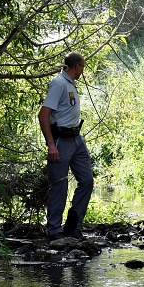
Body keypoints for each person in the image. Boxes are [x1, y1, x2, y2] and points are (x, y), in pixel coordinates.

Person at [38, 52, 94, 240]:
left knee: (87, 180)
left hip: (76, 139)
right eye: (83, 67)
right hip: (61, 139)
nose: (83, 70)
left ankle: (72, 225)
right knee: (59, 186)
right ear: (77, 66)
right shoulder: (58, 84)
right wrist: (51, 145)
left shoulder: (70, 84)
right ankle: (54, 230)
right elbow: (43, 114)